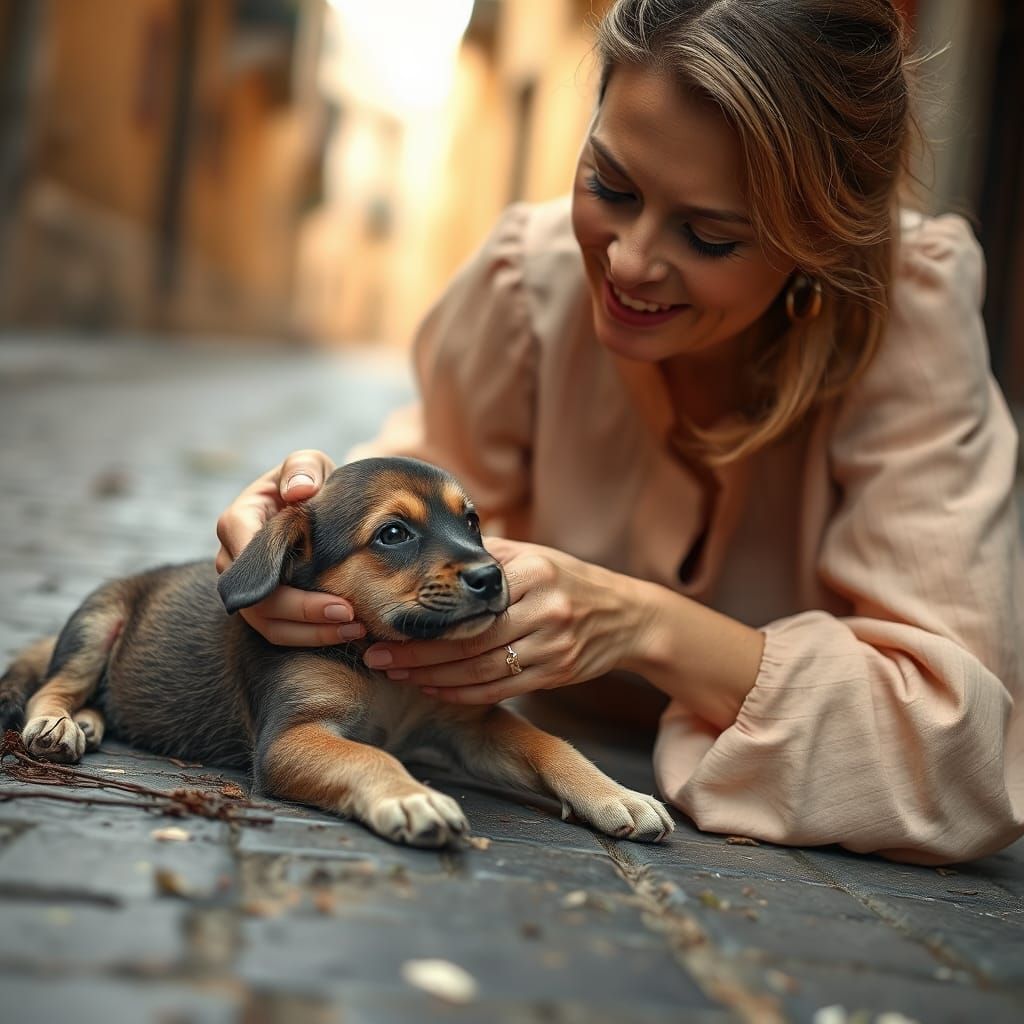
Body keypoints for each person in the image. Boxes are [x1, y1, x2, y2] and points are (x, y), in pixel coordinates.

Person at [215, 0, 1023, 865]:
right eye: (611, 186)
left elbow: (958, 753)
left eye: (710, 235)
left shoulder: (912, 322)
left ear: (819, 240)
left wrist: (644, 625)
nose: (630, 262)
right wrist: (298, 543)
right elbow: (409, 527)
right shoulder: (525, 289)